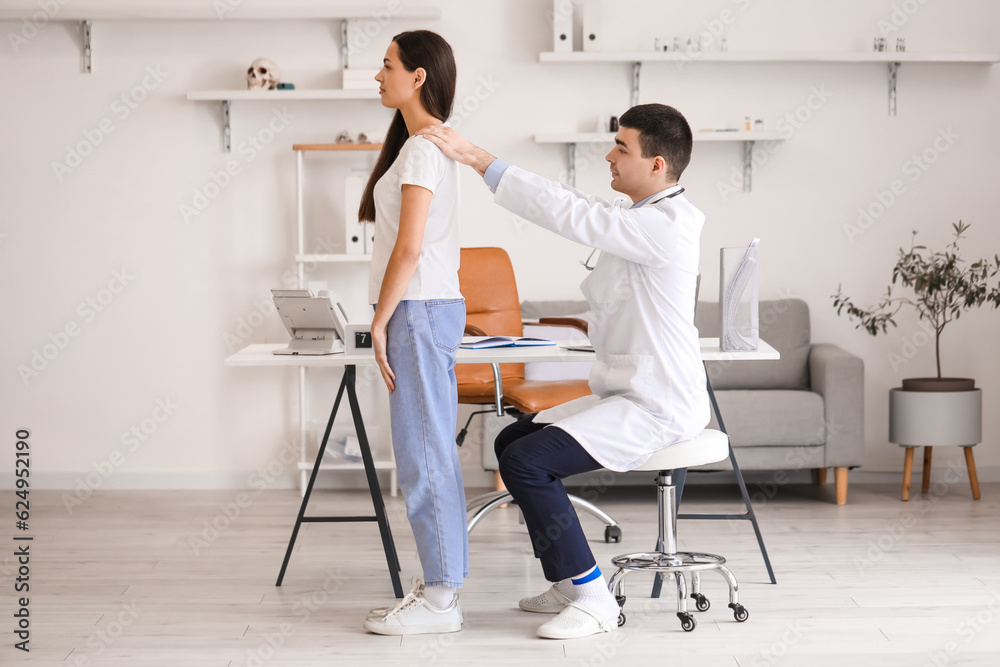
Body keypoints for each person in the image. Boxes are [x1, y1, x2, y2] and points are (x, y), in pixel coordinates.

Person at [417, 103, 710, 639]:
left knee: (528, 462)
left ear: (658, 165)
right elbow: (577, 204)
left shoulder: (666, 226)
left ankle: (594, 597)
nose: (610, 155)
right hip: (626, 392)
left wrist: (480, 159)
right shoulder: (641, 218)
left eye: (622, 148)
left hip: (657, 405)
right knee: (512, 441)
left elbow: (568, 213)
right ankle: (569, 583)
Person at [360, 30, 467, 636]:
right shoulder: (420, 146)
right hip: (422, 309)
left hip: (417, 310)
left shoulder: (425, 150)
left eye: (387, 65)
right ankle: (438, 589)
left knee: (425, 456)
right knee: (423, 453)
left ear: (418, 75)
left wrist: (379, 320)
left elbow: (410, 247)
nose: (379, 75)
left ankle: (442, 600)